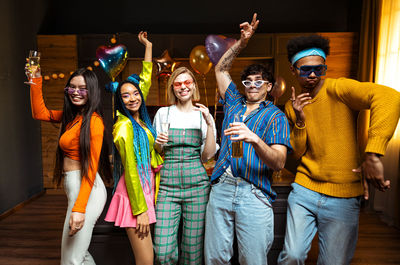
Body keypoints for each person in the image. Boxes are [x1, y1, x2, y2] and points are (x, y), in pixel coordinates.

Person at [277, 34, 400, 265]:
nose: (312, 75)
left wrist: (373, 153)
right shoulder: (291, 106)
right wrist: (300, 119)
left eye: (319, 69)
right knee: (291, 257)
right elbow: (299, 150)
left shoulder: (338, 88)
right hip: (305, 189)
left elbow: (390, 98)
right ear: (294, 70)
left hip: (343, 196)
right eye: (305, 70)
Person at [204, 13, 291, 265]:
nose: (253, 85)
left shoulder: (276, 117)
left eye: (259, 81)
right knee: (215, 259)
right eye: (248, 81)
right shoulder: (233, 102)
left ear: (269, 87)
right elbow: (221, 69)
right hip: (221, 189)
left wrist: (253, 138)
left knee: (252, 260)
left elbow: (279, 163)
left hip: (253, 193)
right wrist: (242, 43)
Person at [28, 61, 112, 263]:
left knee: (71, 260)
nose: (76, 92)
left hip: (87, 191)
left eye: (82, 89)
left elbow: (91, 168)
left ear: (91, 91)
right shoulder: (72, 117)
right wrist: (35, 79)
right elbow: (39, 112)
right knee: (77, 257)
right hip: (75, 188)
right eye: (72, 87)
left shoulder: (94, 122)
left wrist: (79, 209)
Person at [104, 32, 163, 265]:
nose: (132, 98)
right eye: (125, 96)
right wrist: (139, 210)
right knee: (146, 260)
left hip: (145, 188)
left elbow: (146, 78)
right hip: (133, 196)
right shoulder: (124, 126)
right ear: (120, 101)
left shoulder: (139, 117)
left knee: (148, 258)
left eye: (135, 93)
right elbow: (130, 168)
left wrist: (148, 46)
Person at [152, 66, 218, 264]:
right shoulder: (163, 113)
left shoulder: (203, 114)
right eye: (178, 83)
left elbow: (206, 156)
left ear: (194, 86)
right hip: (166, 189)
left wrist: (208, 124)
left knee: (192, 250)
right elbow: (157, 151)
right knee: (163, 252)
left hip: (197, 188)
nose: (183, 87)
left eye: (187, 83)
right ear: (173, 88)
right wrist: (158, 142)